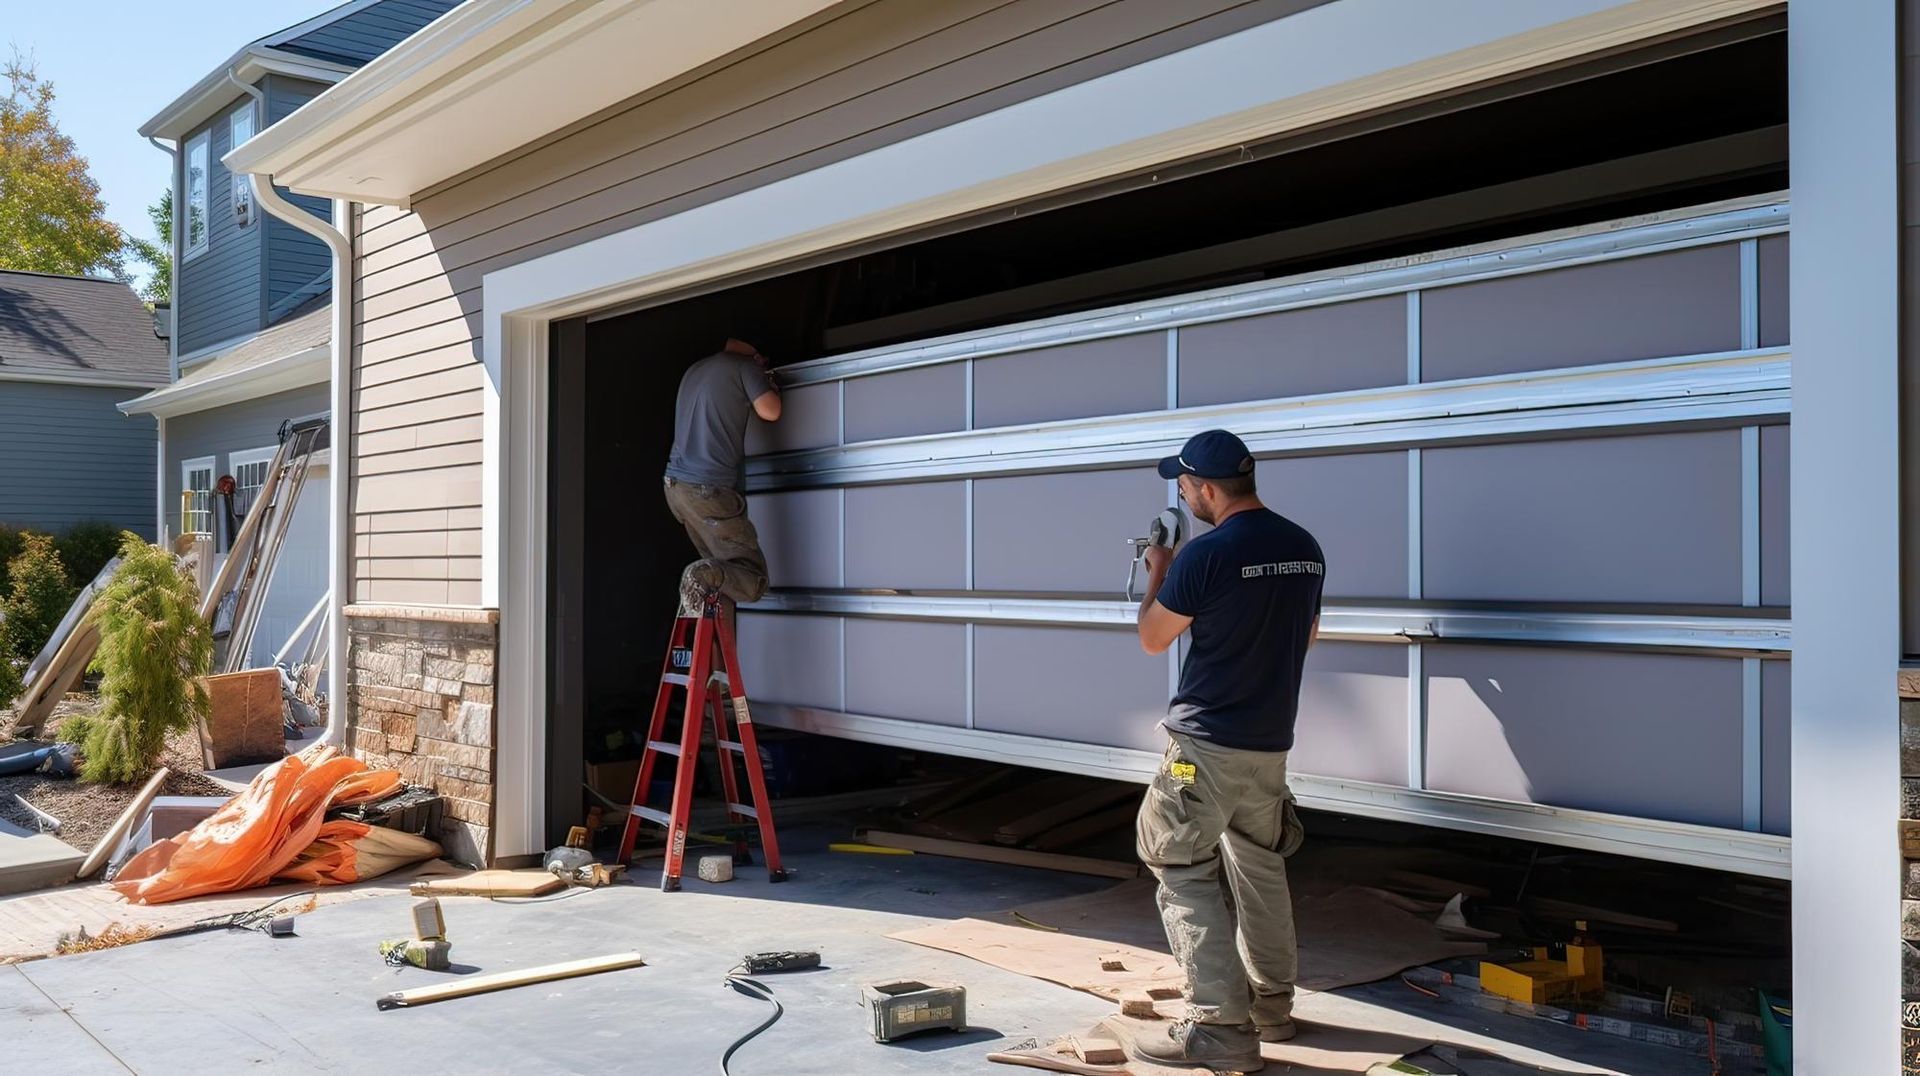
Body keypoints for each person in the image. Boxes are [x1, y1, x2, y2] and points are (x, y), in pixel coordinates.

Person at [1131, 428, 1324, 1072]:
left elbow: (1155, 639)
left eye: (1184, 488)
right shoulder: (1304, 546)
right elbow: (1307, 636)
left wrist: (1160, 571)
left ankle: (1219, 1029)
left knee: (1178, 863)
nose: (1185, 499)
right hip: (1270, 743)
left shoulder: (1203, 556)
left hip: (1205, 743)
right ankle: (1271, 1008)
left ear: (1206, 489)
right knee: (1260, 866)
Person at [663, 337, 783, 612]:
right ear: (757, 354)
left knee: (723, 575)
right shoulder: (746, 367)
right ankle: (700, 577)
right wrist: (767, 382)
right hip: (709, 490)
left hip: (677, 488)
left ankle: (703, 588)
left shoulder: (695, 369)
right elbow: (771, 411)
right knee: (752, 578)